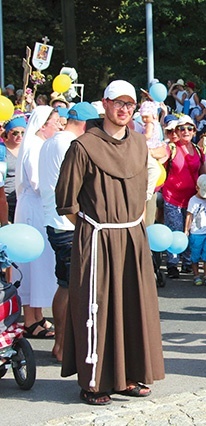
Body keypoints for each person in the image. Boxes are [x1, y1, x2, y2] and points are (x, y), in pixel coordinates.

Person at [55, 80, 165, 405]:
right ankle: (95, 381)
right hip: (98, 237)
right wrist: (91, 230)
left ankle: (128, 376)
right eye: (118, 103)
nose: (124, 109)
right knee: (98, 307)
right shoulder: (83, 146)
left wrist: (128, 227)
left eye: (129, 104)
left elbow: (146, 187)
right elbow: (66, 200)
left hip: (132, 236)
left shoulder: (139, 144)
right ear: (104, 104)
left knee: (132, 305)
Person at [39, 102, 98, 362]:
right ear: (85, 124)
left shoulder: (51, 141)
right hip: (67, 223)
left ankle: (62, 344)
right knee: (72, 286)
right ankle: (63, 346)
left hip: (56, 220)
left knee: (65, 284)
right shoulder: (70, 144)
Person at [15, 106, 62, 339]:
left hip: (37, 207)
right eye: (55, 121)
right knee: (33, 263)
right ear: (43, 124)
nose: (58, 125)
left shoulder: (39, 144)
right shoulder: (34, 146)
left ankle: (37, 313)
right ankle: (30, 318)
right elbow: (36, 181)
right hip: (34, 208)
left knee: (41, 263)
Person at [162, 115, 205, 279]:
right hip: (172, 196)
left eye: (189, 128)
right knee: (175, 231)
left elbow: (203, 172)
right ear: (177, 131)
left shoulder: (198, 150)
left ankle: (187, 262)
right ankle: (173, 264)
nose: (185, 131)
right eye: (181, 128)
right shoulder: (171, 148)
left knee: (191, 231)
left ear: (194, 131)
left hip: (192, 198)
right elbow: (159, 161)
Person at [185, 174, 206, 287]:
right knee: (195, 255)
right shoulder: (193, 200)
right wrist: (186, 230)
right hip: (196, 233)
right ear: (197, 188)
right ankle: (196, 275)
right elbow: (189, 215)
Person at [1, 113, 26, 222]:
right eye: (15, 133)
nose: (19, 136)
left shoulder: (27, 149)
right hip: (5, 201)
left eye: (23, 132)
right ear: (6, 133)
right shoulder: (2, 151)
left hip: (23, 201)